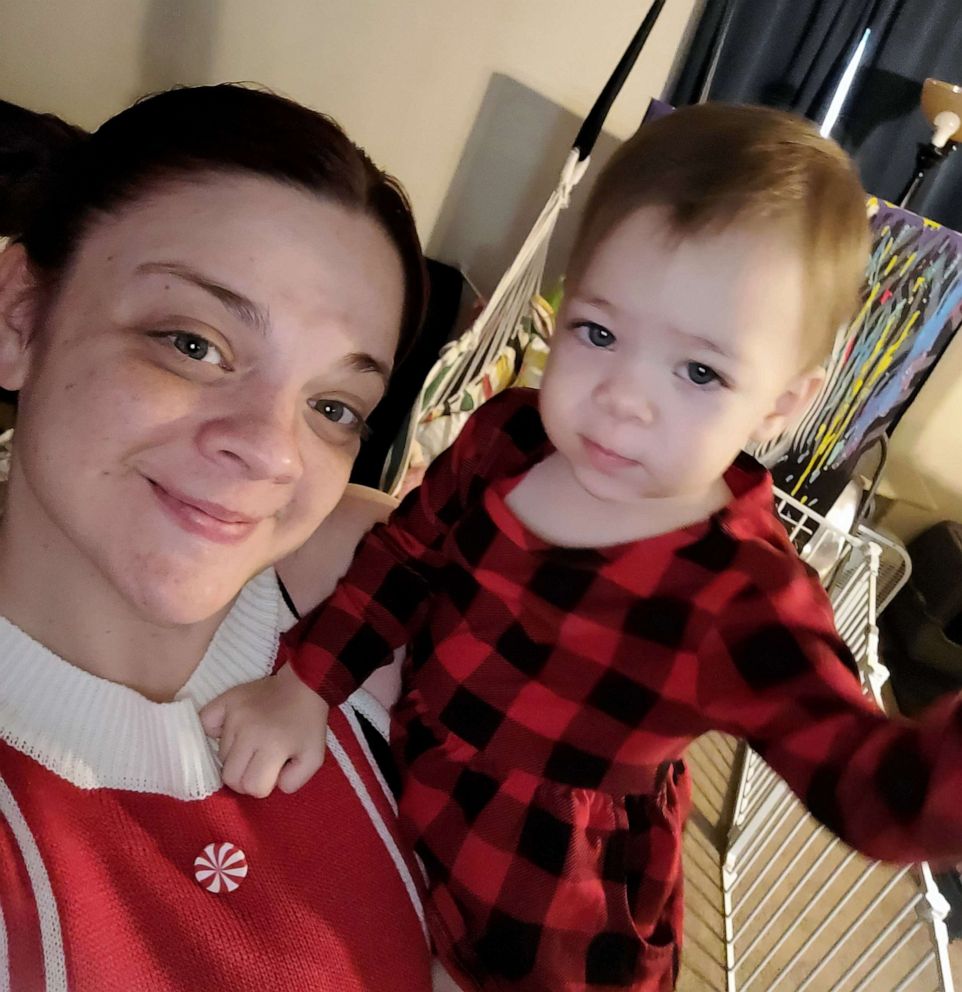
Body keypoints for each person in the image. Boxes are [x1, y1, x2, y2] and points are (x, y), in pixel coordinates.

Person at [204, 104, 962, 991]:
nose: (621, 400)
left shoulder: (741, 593)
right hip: (419, 771)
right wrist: (305, 685)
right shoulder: (507, 435)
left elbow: (865, 781)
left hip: (542, 918)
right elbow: (403, 559)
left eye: (700, 371)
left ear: (786, 400)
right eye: (598, 333)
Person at [0, 84, 433, 990]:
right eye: (192, 343)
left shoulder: (369, 621)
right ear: (18, 317)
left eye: (332, 407)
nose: (275, 453)